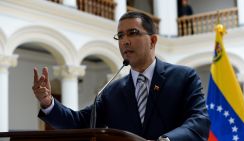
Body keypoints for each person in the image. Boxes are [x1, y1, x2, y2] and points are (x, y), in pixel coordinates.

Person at [33, 11, 210, 141]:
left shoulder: (184, 77)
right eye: (120, 36)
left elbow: (199, 122)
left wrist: (166, 140)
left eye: (133, 33)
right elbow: (80, 122)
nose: (125, 41)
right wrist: (48, 103)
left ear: (153, 40)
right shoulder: (113, 92)